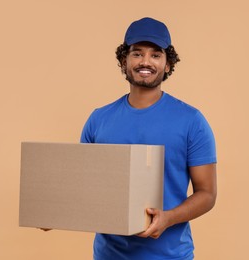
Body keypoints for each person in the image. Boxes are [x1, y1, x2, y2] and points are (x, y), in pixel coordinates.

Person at [80, 17, 217, 259]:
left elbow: (207, 194)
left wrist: (168, 218)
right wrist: (56, 211)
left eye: (156, 55)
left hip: (170, 255)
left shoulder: (191, 121)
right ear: (124, 61)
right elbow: (84, 187)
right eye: (137, 54)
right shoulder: (98, 119)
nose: (145, 62)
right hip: (108, 255)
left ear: (167, 65)